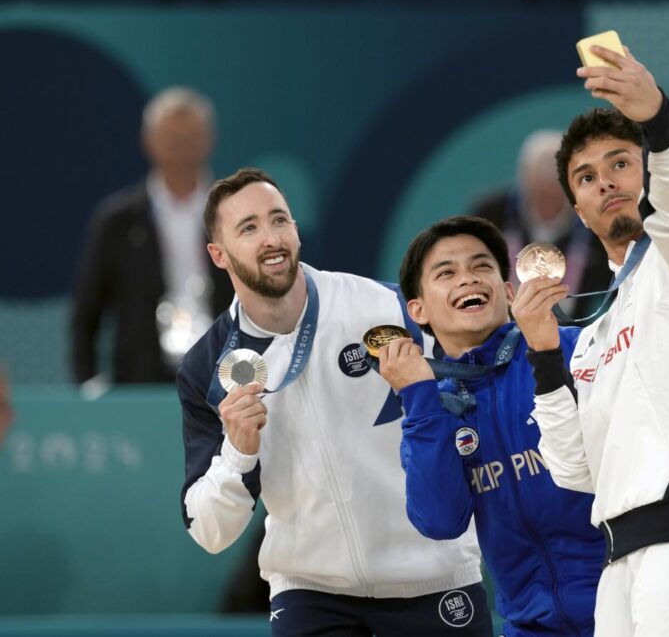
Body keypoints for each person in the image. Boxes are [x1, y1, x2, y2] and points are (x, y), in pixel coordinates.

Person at [376, 214, 669, 637]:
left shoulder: (576, 352)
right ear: (417, 309)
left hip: (629, 605)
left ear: (509, 291)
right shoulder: (432, 405)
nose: (468, 279)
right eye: (446, 273)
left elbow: (656, 411)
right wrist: (418, 398)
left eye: (482, 266)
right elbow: (440, 521)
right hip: (529, 626)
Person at [511, 44, 669, 636]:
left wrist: (659, 120)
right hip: (623, 550)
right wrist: (546, 354)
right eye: (587, 177)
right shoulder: (601, 323)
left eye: (621, 163)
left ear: (649, 170)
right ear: (576, 209)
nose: (606, 183)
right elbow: (575, 468)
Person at [178, 168, 491, 636]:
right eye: (249, 228)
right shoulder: (207, 368)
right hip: (310, 595)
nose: (271, 238)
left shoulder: (386, 308)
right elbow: (208, 531)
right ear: (218, 254)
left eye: (279, 220)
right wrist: (238, 452)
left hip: (434, 579)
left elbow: (478, 385)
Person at [72, 86, 233, 384]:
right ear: (149, 141)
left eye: (191, 138)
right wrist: (87, 386)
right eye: (172, 139)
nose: (182, 147)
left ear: (210, 140)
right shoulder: (116, 221)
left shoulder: (235, 213)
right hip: (140, 385)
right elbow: (86, 313)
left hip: (228, 380)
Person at [471, 130, 609, 316]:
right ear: (525, 179)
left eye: (556, 178)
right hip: (499, 327)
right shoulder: (491, 214)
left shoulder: (595, 221)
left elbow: (616, 284)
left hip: (574, 333)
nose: (549, 189)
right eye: (541, 175)